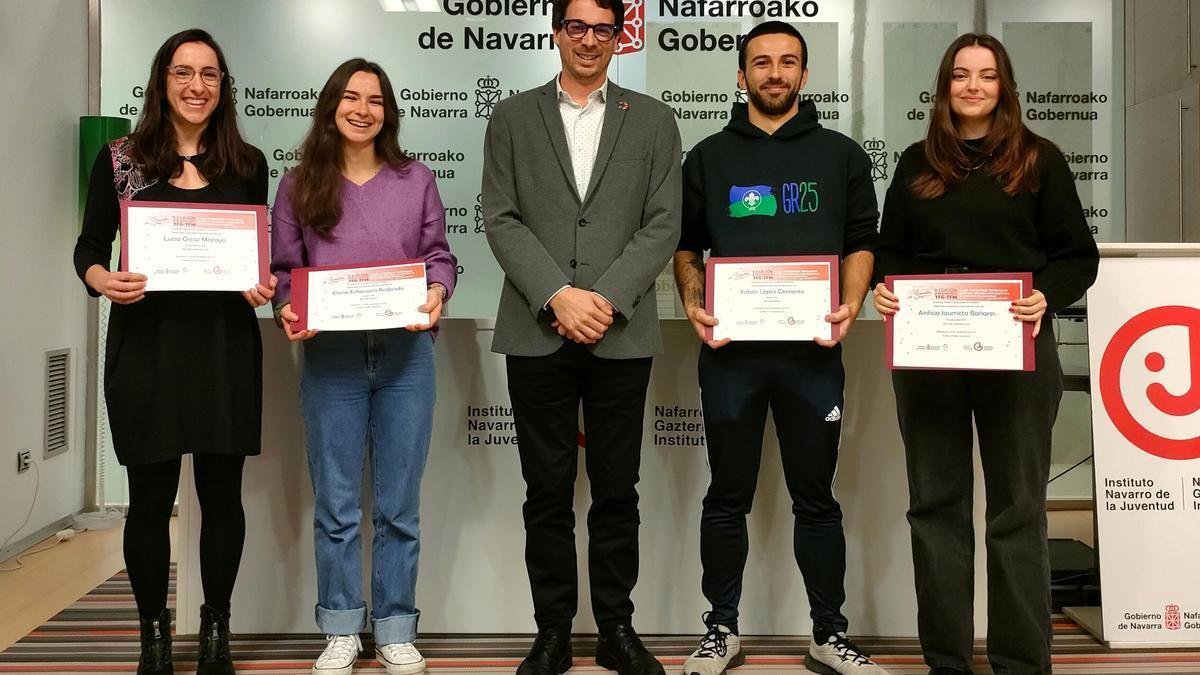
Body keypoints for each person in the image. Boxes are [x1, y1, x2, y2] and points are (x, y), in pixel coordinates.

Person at [872, 34, 1099, 675]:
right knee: (936, 507)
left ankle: (1022, 662)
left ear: (1005, 86)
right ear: (945, 85)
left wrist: (1046, 297)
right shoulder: (918, 162)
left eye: (987, 76)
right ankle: (947, 659)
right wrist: (887, 291)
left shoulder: (1039, 160)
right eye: (962, 75)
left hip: (1018, 346)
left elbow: (1077, 255)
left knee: (1018, 509)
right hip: (929, 351)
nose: (973, 86)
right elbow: (890, 250)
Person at [672, 21, 890, 675]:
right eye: (761, 63)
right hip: (731, 355)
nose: (774, 72)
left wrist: (850, 302)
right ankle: (721, 629)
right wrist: (691, 299)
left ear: (803, 74)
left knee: (816, 497)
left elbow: (861, 241)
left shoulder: (842, 156)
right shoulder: (707, 156)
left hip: (813, 355)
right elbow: (687, 247)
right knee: (727, 494)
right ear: (741, 76)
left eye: (788, 62)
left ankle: (829, 632)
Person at [481, 0, 682, 671]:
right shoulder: (511, 116)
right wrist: (557, 295)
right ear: (557, 33)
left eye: (603, 28)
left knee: (617, 489)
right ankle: (553, 631)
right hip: (537, 328)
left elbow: (662, 224)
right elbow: (501, 217)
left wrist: (603, 298)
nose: (589, 40)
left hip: (620, 332)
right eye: (577, 27)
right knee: (546, 490)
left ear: (620, 37)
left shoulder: (653, 120)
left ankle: (618, 629)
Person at [73, 28, 272, 675]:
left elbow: (257, 260)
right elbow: (89, 248)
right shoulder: (122, 159)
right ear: (162, 81)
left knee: (222, 497)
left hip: (223, 347)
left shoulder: (246, 164)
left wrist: (261, 282)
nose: (196, 85)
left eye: (209, 74)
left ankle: (216, 629)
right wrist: (104, 280)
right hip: (148, 346)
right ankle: (154, 635)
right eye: (183, 72)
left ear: (223, 86)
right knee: (150, 502)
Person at [270, 58, 456, 675]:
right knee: (338, 504)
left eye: (375, 100)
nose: (362, 109)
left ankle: (396, 626)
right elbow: (281, 272)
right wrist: (287, 309)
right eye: (351, 97)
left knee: (399, 504)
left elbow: (440, 258)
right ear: (330, 106)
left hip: (407, 357)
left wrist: (436, 292)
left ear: (388, 112)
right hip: (332, 360)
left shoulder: (416, 179)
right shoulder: (298, 185)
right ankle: (343, 626)